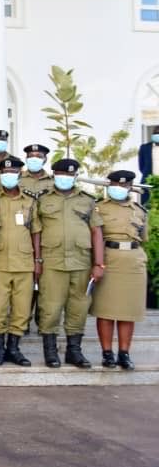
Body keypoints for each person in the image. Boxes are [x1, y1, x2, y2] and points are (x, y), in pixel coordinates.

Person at [35, 158, 104, 369]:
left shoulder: (88, 200)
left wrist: (99, 264)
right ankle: (50, 351)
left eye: (69, 175)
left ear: (75, 176)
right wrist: (37, 259)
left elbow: (96, 232)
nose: (65, 178)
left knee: (79, 308)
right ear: (54, 175)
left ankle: (74, 351)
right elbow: (36, 232)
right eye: (61, 174)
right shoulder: (42, 199)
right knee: (50, 308)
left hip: (81, 262)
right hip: (52, 262)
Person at [0, 157, 40, 367]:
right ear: (0, 175)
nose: (9, 175)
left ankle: (14, 348)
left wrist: (38, 259)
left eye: (14, 171)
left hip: (25, 262)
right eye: (5, 172)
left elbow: (36, 231)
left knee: (21, 308)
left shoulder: (30, 201)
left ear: (20, 174)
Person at [91, 170, 147, 370]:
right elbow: (94, 236)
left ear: (130, 187)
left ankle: (124, 353)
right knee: (105, 310)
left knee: (127, 312)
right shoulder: (99, 208)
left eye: (124, 185)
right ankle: (107, 353)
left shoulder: (139, 210)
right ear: (109, 185)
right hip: (109, 259)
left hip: (133, 262)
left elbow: (143, 237)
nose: (119, 188)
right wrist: (97, 264)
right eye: (115, 184)